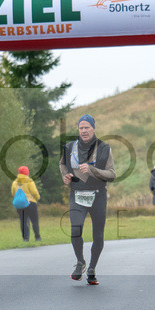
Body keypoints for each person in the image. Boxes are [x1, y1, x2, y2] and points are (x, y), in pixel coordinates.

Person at [61, 114, 115, 284]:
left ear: (93, 128)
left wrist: (93, 171)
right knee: (75, 229)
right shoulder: (70, 147)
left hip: (97, 195)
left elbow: (112, 174)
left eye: (87, 127)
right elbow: (62, 164)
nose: (83, 131)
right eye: (81, 128)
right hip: (77, 193)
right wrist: (65, 175)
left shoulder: (105, 149)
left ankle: (92, 268)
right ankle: (80, 262)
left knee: (98, 235)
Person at [11, 165, 42, 242]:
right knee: (34, 220)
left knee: (23, 222)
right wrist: (38, 197)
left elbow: (13, 192)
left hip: (20, 205)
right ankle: (37, 237)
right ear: (27, 172)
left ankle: (25, 239)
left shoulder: (15, 182)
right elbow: (34, 192)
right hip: (30, 203)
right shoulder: (29, 181)